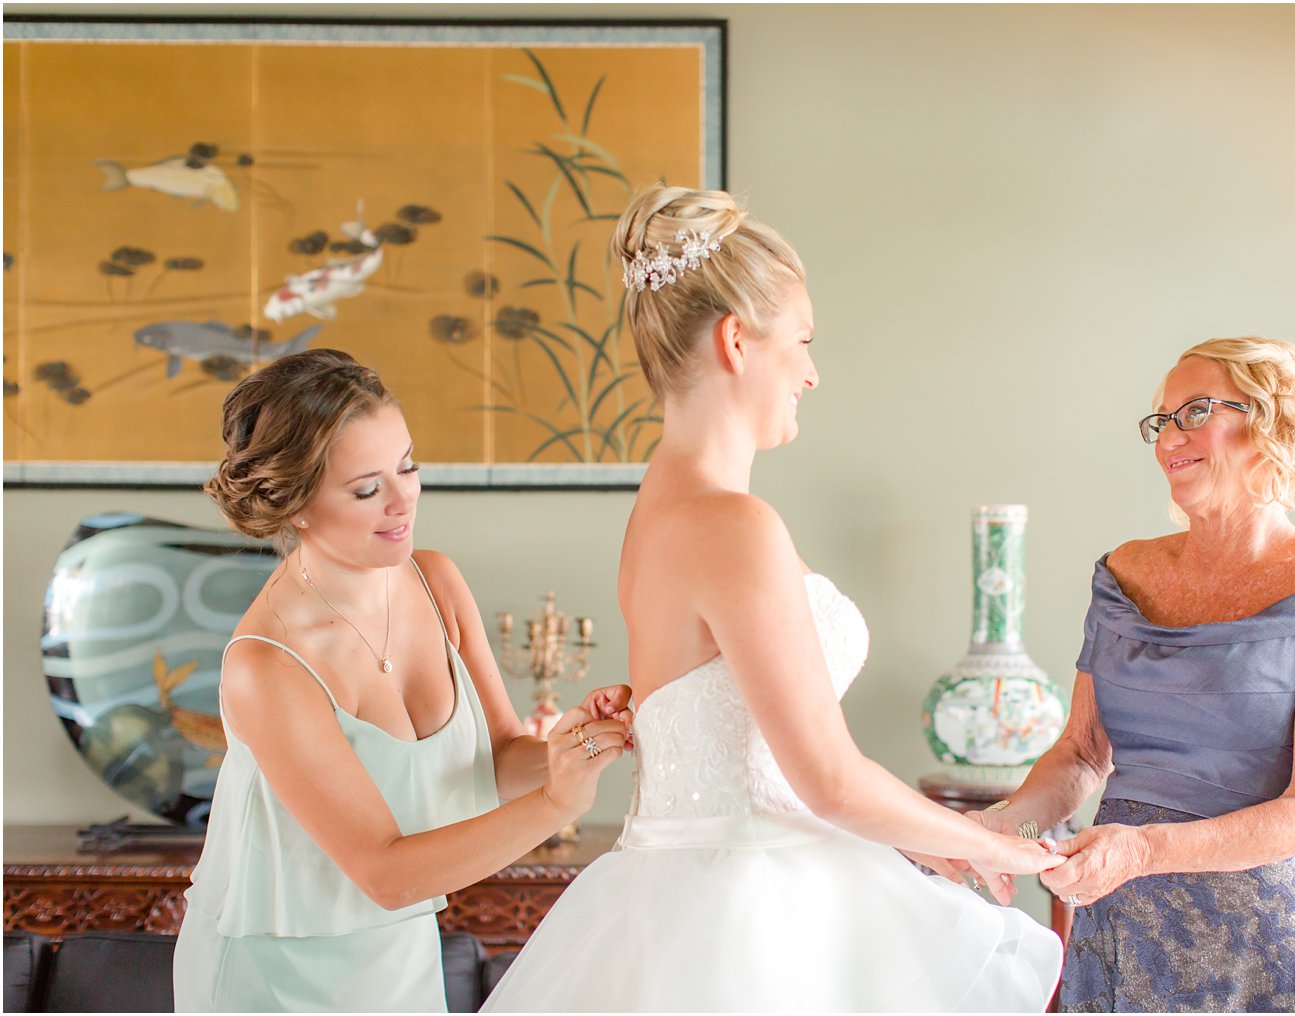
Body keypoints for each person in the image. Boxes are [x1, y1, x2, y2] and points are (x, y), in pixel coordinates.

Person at [481, 186, 1065, 1012]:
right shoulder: (730, 525)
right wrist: (993, 847)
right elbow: (826, 777)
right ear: (735, 341)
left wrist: (929, 844)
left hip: (691, 895)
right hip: (748, 914)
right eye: (802, 340)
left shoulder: (658, 509)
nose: (813, 372)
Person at [950, 337, 1295, 1012]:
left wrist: (1140, 852)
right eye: (1161, 420)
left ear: (1271, 420)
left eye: (1194, 411)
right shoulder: (1124, 576)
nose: (1170, 436)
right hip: (1120, 928)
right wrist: (1004, 828)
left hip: (1265, 944)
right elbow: (1080, 754)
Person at [172, 349, 633, 1012]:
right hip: (271, 977)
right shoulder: (267, 665)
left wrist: (581, 743)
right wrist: (557, 806)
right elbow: (385, 873)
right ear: (296, 504)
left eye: (408, 466)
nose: (402, 498)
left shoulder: (437, 581)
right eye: (366, 488)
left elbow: (499, 759)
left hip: (397, 959)